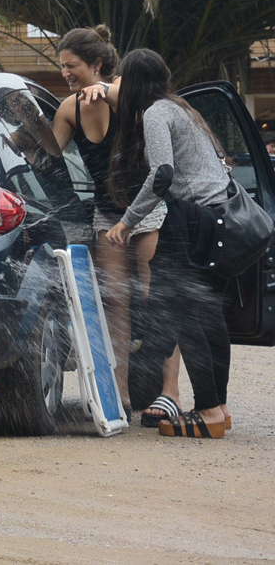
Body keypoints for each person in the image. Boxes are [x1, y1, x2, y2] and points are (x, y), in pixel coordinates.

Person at [86, 49, 232, 438]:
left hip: (193, 220)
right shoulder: (181, 108)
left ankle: (209, 411)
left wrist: (126, 221)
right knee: (210, 317)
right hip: (219, 217)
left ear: (132, 85)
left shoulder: (154, 114)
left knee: (184, 316)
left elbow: (162, 173)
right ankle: (219, 408)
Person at [50, 25, 167, 418]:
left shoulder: (126, 95)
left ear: (96, 64)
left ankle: (171, 393)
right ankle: (120, 393)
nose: (66, 73)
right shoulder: (69, 108)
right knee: (116, 303)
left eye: (73, 66)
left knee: (156, 300)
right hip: (107, 214)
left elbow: (158, 108)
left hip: (148, 210)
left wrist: (112, 90)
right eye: (62, 66)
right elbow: (46, 157)